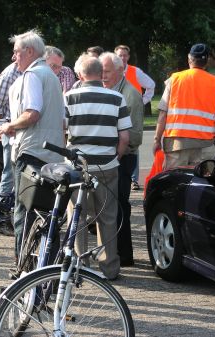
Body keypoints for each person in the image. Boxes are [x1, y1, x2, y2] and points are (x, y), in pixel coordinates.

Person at [0, 29, 65, 262]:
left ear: (29, 51)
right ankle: (48, 274)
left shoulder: (32, 75)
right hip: (51, 155)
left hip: (32, 153)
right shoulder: (50, 75)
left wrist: (9, 127)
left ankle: (23, 271)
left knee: (24, 215)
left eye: (16, 52)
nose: (14, 57)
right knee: (47, 215)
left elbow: (32, 113)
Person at [64, 53, 131, 280]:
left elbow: (62, 128)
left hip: (77, 166)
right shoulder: (116, 98)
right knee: (108, 217)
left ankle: (80, 265)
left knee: (77, 216)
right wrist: (116, 158)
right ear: (100, 74)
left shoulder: (69, 97)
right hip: (107, 165)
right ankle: (109, 267)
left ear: (81, 74)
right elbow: (124, 137)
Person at [153, 43, 215, 170]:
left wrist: (157, 140)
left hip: (177, 144)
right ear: (207, 61)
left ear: (189, 59)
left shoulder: (175, 79)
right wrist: (213, 141)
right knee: (201, 186)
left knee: (175, 184)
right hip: (205, 145)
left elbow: (163, 114)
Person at [100, 51, 144, 267]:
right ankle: (111, 252)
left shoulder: (130, 95)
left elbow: (135, 136)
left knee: (119, 206)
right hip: (107, 157)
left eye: (107, 71)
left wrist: (115, 148)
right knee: (108, 207)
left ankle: (124, 255)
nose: (103, 75)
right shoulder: (105, 90)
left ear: (120, 70)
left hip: (122, 158)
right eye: (101, 71)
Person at [115, 44, 155, 190]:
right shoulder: (111, 71)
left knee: (132, 144)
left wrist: (143, 101)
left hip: (131, 112)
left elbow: (151, 85)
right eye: (120, 55)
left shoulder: (135, 72)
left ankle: (134, 179)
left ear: (128, 57)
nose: (123, 58)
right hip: (115, 111)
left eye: (125, 55)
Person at [0, 62, 21, 237]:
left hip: (21, 131)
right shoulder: (9, 74)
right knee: (9, 173)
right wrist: (0, 130)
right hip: (10, 130)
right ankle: (2, 218)